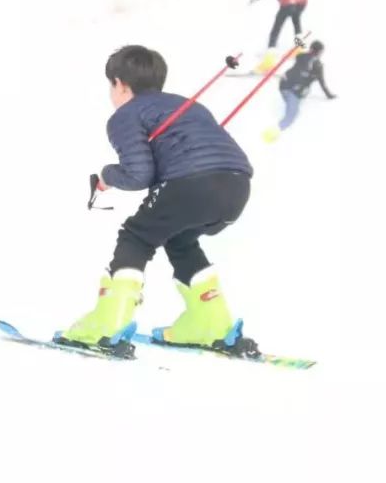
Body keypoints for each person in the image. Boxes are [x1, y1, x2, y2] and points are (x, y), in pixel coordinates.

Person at [59, 45, 255, 352]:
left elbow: (139, 174)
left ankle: (109, 323)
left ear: (120, 84)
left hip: (190, 183)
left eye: (111, 85)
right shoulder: (189, 105)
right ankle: (212, 322)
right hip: (237, 186)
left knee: (136, 236)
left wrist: (108, 176)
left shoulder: (125, 115)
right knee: (179, 240)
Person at [249, 0, 336, 73]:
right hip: (301, 4)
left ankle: (268, 62)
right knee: (296, 22)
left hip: (286, 5)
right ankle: (299, 48)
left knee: (276, 29)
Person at [263, 40, 336, 142]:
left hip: (283, 85)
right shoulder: (318, 65)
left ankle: (274, 131)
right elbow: (322, 83)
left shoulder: (301, 56)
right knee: (292, 115)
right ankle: (271, 134)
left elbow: (300, 62)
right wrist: (329, 96)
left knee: (292, 104)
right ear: (319, 52)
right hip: (294, 91)